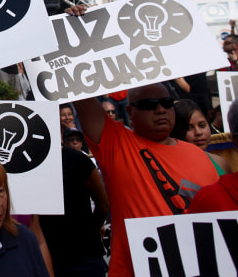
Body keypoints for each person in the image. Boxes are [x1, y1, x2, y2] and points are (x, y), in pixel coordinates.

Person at [73, 83, 220, 276]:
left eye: (166, 103)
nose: (160, 110)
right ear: (130, 111)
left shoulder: (201, 156)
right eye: (149, 104)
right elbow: (79, 95)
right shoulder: (116, 143)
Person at [36, 146, 109, 277]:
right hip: (45, 257)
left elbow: (103, 204)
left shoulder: (77, 159)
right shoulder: (25, 165)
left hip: (84, 257)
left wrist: (91, 231)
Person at [172, 99, 231, 175]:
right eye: (189, 128)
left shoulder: (221, 163)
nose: (198, 132)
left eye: (202, 125)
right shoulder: (170, 166)